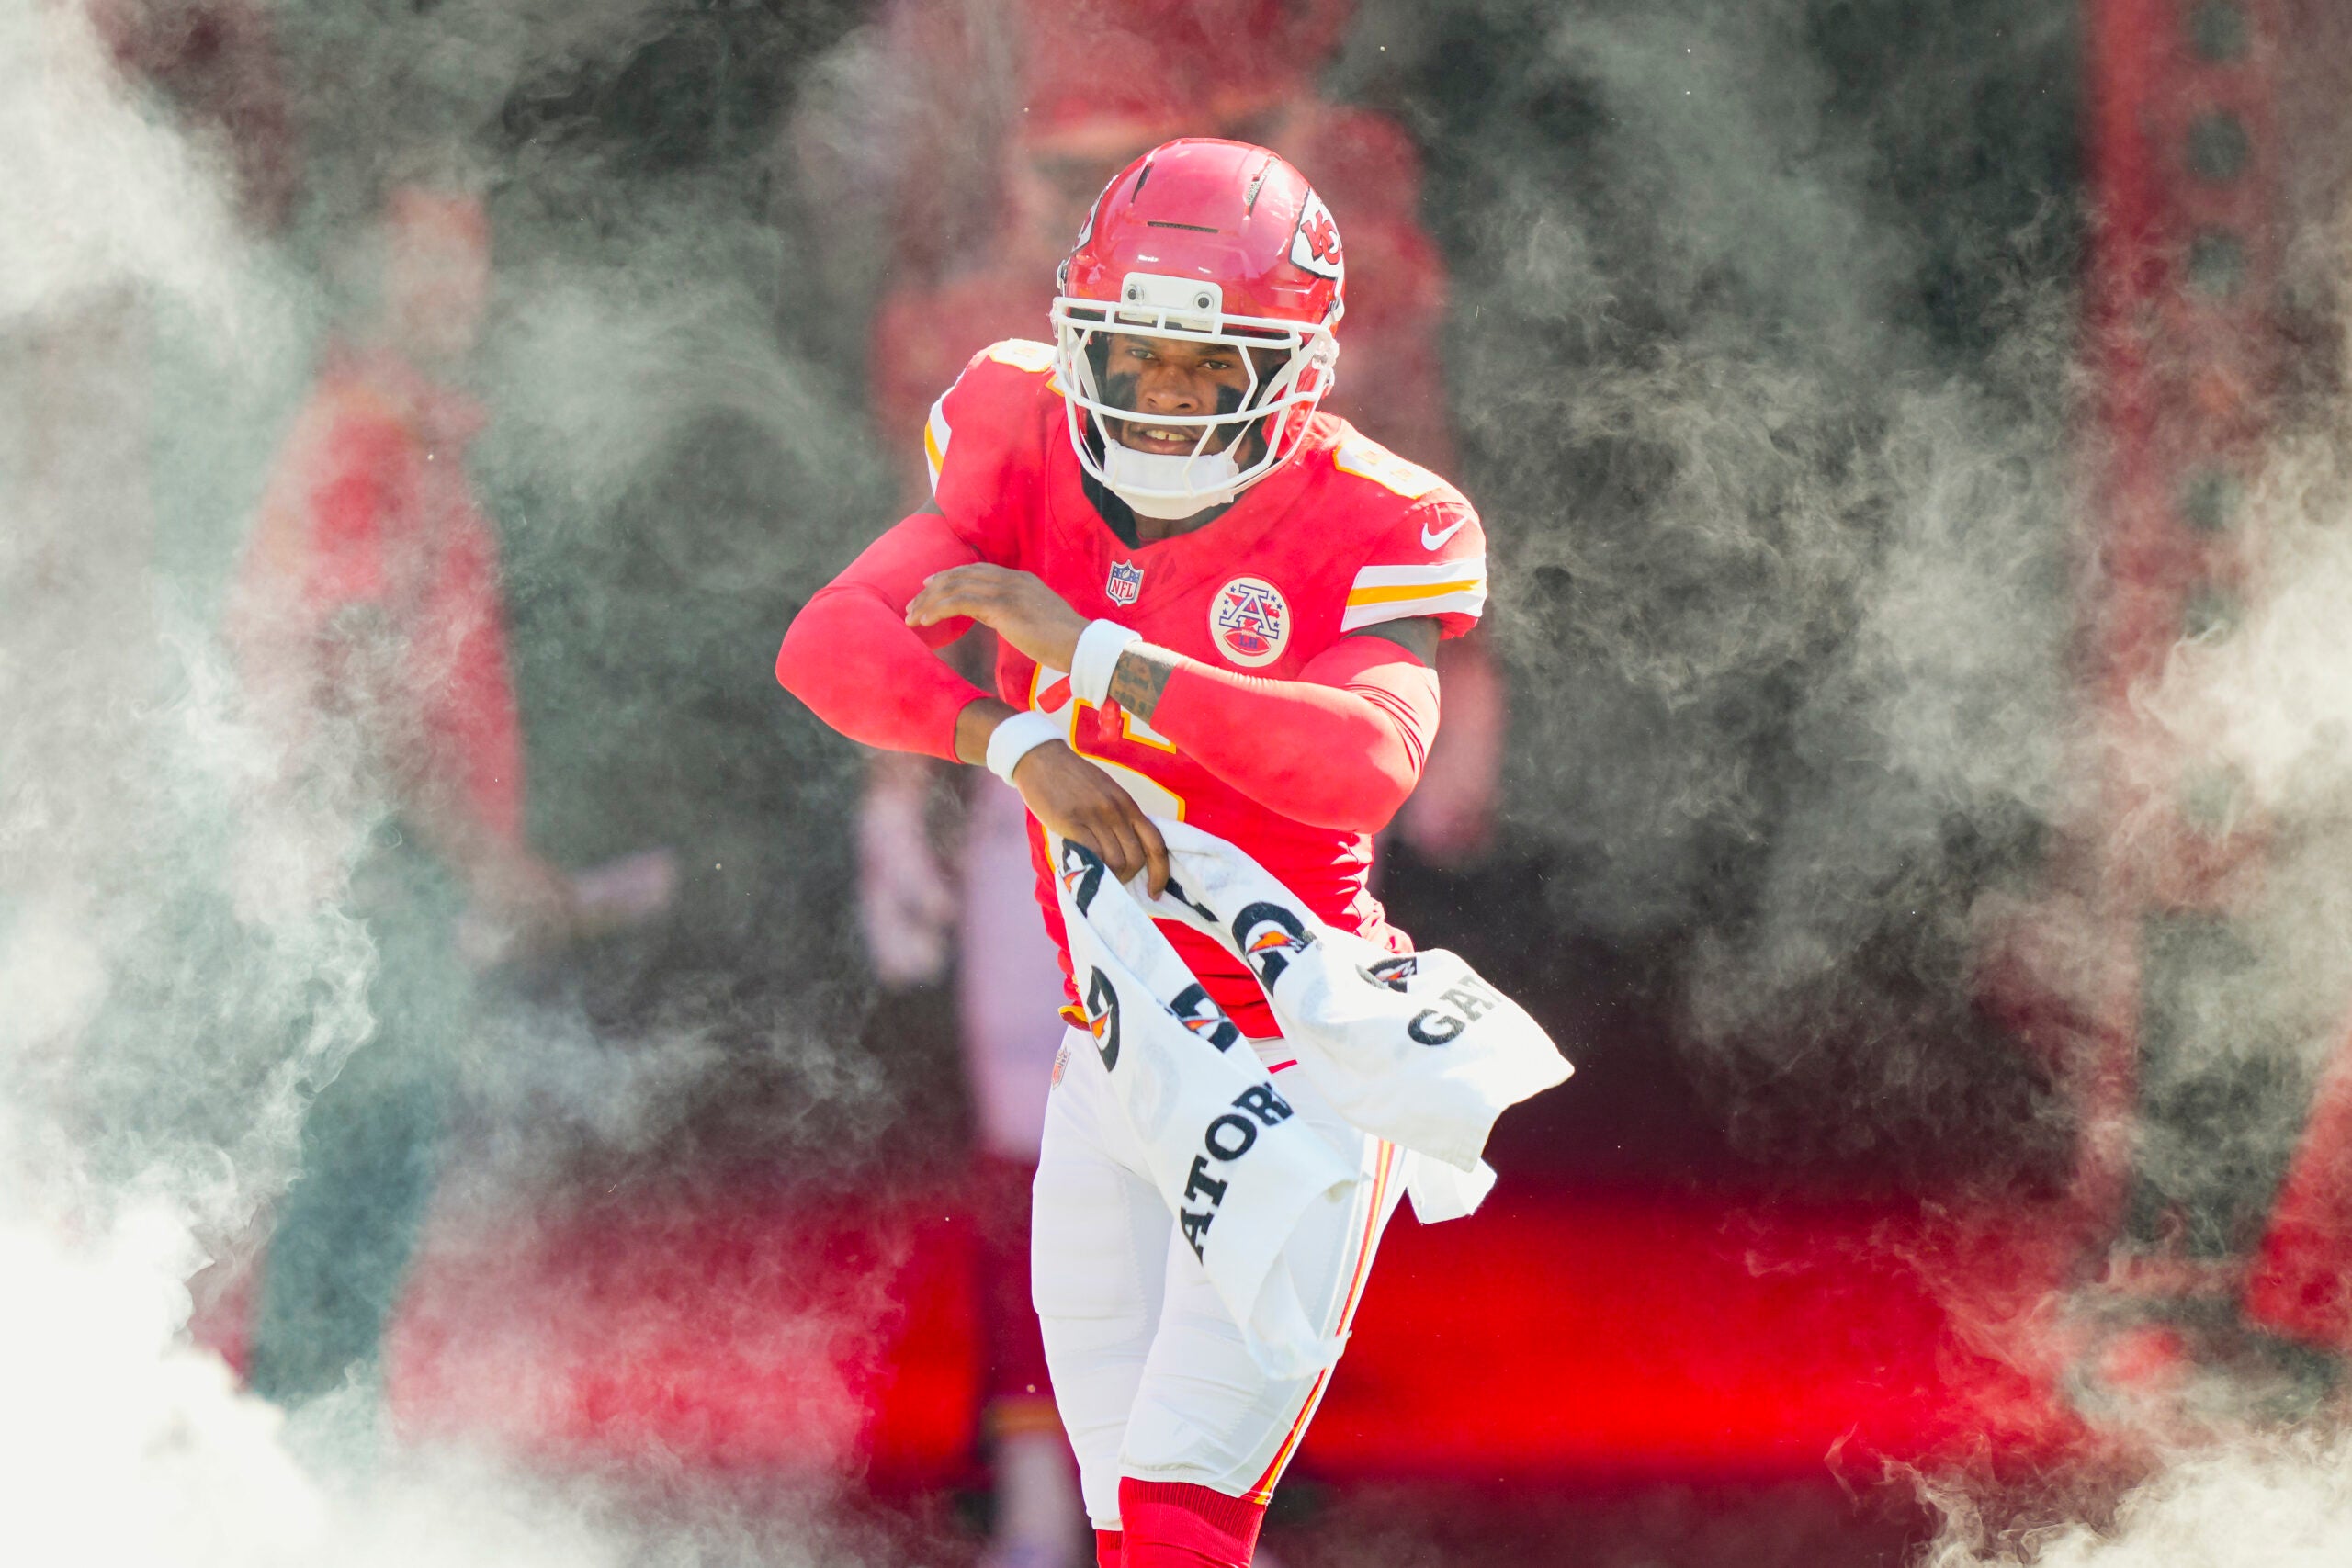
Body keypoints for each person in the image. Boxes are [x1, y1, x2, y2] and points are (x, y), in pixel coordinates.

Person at [778, 139, 1488, 1568]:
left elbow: (1363, 762)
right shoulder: (1014, 416)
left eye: (1201, 371)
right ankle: (1042, 1505)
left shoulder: (1378, 515)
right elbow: (830, 642)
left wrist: (1099, 660)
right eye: (1134, 359)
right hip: (1099, 1028)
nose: (1158, 401)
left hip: (1275, 1058)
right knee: (1129, 1513)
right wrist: (1008, 739)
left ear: (1291, 371)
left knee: (1178, 1514)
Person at [226, 183, 580, 1425]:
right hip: (369, 868)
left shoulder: (412, 434)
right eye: (422, 257)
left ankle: (311, 1462)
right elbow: (363, 678)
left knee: (367, 1185)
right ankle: (300, 1482)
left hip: (389, 867)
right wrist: (479, 859)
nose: (456, 288)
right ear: (364, 270)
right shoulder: (364, 433)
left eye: (470, 260)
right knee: (357, 1185)